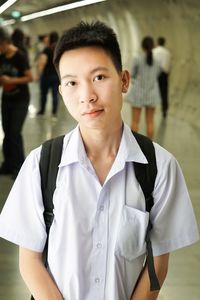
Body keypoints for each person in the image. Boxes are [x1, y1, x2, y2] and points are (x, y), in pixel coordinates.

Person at [0, 21, 199, 300]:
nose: (87, 96)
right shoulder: (41, 165)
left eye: (99, 78)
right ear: (61, 92)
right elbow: (29, 261)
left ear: (124, 80)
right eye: (72, 83)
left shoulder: (159, 168)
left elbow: (158, 264)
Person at [0, 27, 33, 179]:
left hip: (21, 99)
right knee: (7, 131)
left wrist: (12, 80)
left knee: (14, 132)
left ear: (6, 43)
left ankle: (19, 166)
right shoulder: (1, 57)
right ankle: (7, 164)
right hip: (6, 98)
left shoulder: (20, 56)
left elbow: (30, 77)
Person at [127, 36, 161, 139]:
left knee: (135, 121)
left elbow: (132, 74)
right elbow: (158, 74)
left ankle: (134, 146)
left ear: (142, 46)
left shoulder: (137, 59)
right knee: (150, 122)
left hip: (138, 93)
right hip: (152, 93)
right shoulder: (157, 61)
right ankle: (150, 145)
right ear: (153, 46)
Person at [36, 31, 60, 118]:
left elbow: (42, 62)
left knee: (43, 94)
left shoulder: (47, 49)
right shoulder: (60, 49)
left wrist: (38, 74)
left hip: (46, 76)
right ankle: (54, 113)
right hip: (56, 76)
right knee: (55, 95)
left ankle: (42, 111)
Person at [153, 37, 171, 118]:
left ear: (157, 42)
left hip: (155, 74)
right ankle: (164, 109)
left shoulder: (154, 51)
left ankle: (152, 110)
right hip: (164, 74)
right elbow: (169, 65)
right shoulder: (168, 52)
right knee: (164, 93)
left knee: (153, 92)